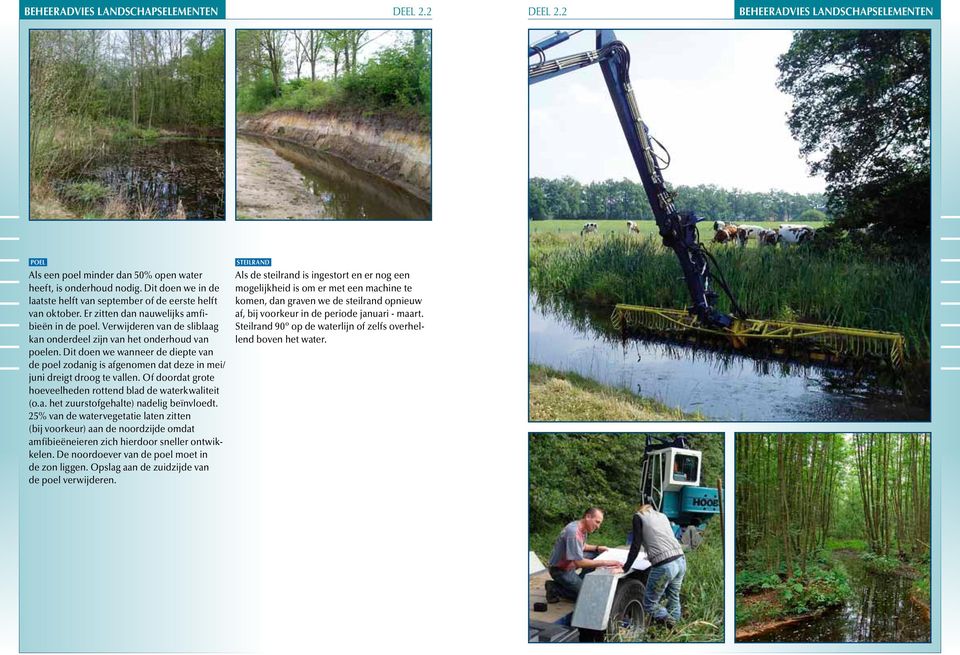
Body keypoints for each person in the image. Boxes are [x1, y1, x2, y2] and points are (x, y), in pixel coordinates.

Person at [622, 504, 686, 626]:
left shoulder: (638, 517)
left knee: (649, 604)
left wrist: (625, 567)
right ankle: (677, 631)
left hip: (665, 566)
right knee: (674, 597)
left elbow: (636, 544)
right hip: (681, 560)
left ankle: (670, 623)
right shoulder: (662, 516)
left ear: (640, 509)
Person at [545, 507, 620, 602]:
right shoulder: (573, 532)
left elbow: (582, 546)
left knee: (596, 554)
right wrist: (606, 562)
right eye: (597, 522)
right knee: (586, 596)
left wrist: (597, 548)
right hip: (561, 570)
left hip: (570, 563)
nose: (598, 526)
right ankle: (554, 588)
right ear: (588, 517)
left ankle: (581, 581)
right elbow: (579, 563)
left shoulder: (582, 527)